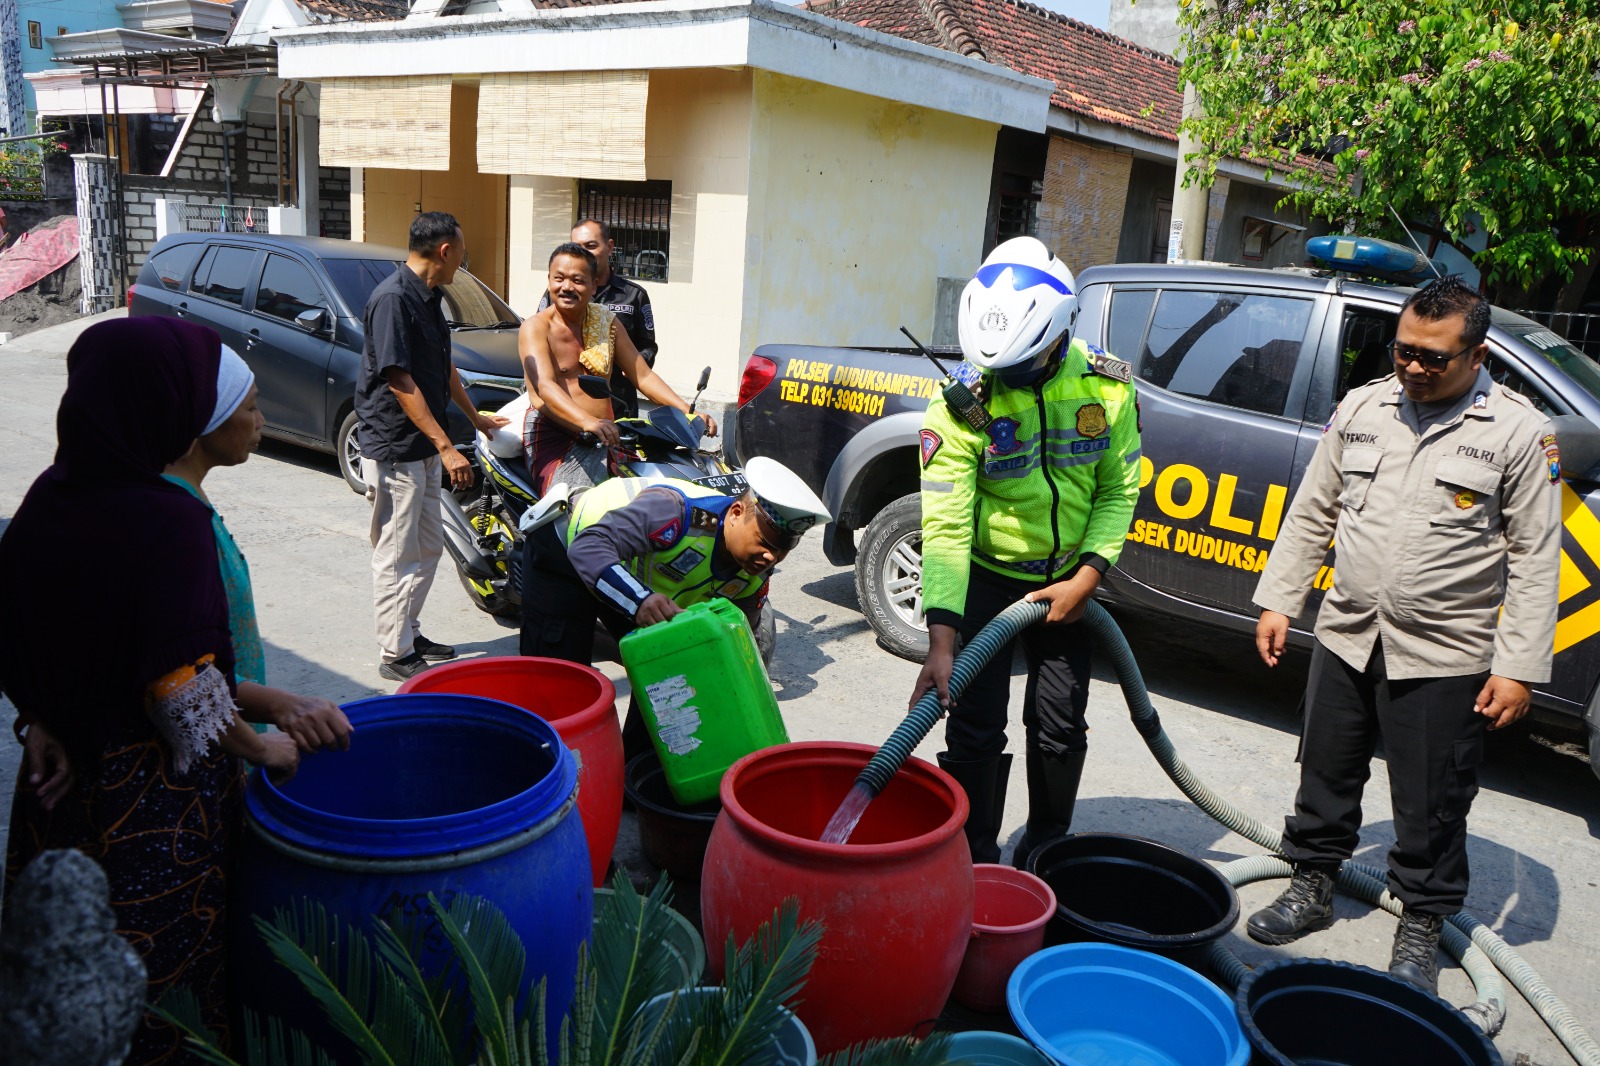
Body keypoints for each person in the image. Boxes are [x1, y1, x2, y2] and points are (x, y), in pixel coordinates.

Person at [0, 318, 304, 1063]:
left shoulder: (51, 497)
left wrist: (36, 715)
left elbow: (16, 623)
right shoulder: (168, 522)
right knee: (164, 996)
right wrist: (263, 748)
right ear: (171, 408)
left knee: (62, 980)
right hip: (152, 809)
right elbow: (183, 691)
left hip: (60, 794)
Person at [1247, 276, 1561, 994]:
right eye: (1404, 351)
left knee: (1432, 802)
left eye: (1434, 358)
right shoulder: (1363, 407)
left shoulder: (1517, 432)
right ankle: (1311, 884)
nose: (1415, 368)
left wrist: (1517, 668)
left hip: (1445, 653)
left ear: (1477, 354)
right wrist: (1280, 600)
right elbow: (1313, 510)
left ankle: (1422, 921)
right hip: (1348, 632)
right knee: (1324, 772)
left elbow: (1537, 557)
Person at [909, 236, 1141, 867]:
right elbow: (948, 524)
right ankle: (974, 858)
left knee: (1061, 722)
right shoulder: (959, 404)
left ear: (1060, 335)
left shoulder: (1107, 388)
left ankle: (1046, 848)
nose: (1000, 382)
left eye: (1020, 366)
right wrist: (942, 640)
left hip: (1071, 583)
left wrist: (1088, 577)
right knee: (974, 726)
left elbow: (1119, 490)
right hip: (987, 580)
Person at [521, 456, 828, 760]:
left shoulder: (753, 578)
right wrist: (640, 600)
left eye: (780, 550)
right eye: (764, 542)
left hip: (633, 579)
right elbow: (588, 548)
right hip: (567, 550)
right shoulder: (676, 513)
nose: (770, 557)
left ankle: (633, 773)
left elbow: (732, 645)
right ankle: (548, 771)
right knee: (560, 680)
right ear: (735, 513)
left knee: (673, 672)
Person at [162, 344, 355, 751]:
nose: (261, 421)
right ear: (204, 419)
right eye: (249, 408)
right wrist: (269, 727)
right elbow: (175, 672)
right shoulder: (172, 522)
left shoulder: (189, 502)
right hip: (199, 758)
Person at [356, 211, 509, 681]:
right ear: (445, 251)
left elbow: (443, 369)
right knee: (397, 550)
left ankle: (409, 631)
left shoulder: (428, 298)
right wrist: (447, 447)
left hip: (422, 444)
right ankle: (394, 652)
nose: (462, 262)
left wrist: (475, 418)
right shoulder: (393, 301)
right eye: (461, 254)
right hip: (396, 447)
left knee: (427, 547)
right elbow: (400, 382)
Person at [519, 242, 713, 496]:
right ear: (549, 280)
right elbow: (545, 386)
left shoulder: (606, 323)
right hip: (555, 436)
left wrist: (688, 412)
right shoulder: (535, 328)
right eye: (559, 278)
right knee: (573, 509)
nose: (567, 287)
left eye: (577, 280)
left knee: (651, 500)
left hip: (606, 436)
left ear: (594, 284)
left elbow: (641, 374)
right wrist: (588, 422)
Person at [536, 218, 660, 419]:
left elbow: (647, 352)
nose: (583, 253)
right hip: (567, 412)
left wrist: (634, 363)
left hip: (619, 403)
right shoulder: (556, 299)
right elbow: (542, 381)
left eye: (590, 246)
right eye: (577, 247)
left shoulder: (633, 295)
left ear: (609, 247)